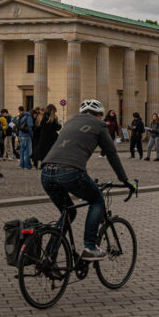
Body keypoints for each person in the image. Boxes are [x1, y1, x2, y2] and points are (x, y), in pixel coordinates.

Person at [40, 99, 133, 262]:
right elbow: (112, 154)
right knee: (97, 199)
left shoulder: (69, 123)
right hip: (70, 172)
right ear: (99, 115)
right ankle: (90, 247)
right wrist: (125, 180)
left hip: (46, 172)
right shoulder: (100, 125)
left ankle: (49, 256)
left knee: (68, 211)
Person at [32, 104, 61, 169]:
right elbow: (56, 127)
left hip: (43, 137)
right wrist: (60, 126)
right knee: (50, 152)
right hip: (51, 138)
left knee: (42, 151)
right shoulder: (52, 118)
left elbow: (40, 127)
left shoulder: (44, 117)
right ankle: (48, 164)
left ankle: (42, 164)